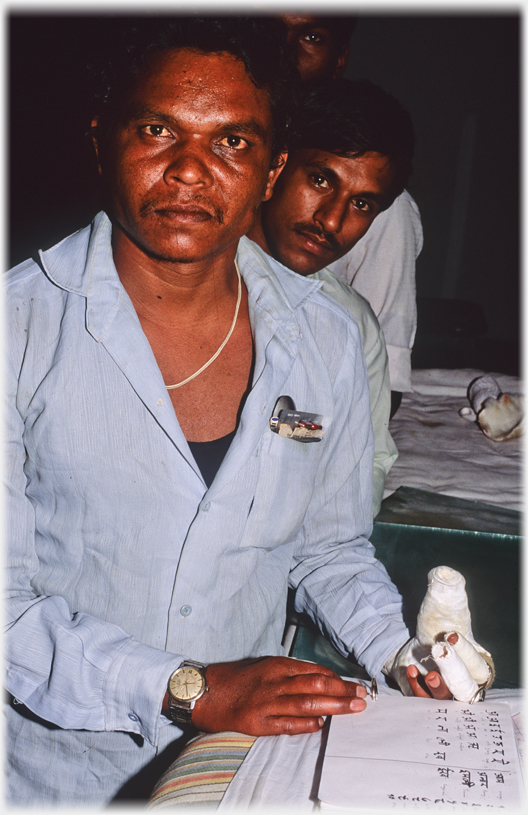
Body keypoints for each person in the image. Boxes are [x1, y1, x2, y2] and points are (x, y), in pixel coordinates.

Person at [5, 16, 452, 808]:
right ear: (102, 140)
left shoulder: (325, 335)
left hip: (241, 771)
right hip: (57, 776)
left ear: (272, 166)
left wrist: (402, 649)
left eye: (231, 143)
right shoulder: (20, 328)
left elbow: (328, 550)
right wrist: (190, 686)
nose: (189, 171)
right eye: (157, 130)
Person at [248, 77, 412, 515]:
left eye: (362, 205)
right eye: (321, 180)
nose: (333, 220)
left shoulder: (351, 325)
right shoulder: (190, 277)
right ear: (275, 165)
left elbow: (366, 463)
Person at [278, 13, 423, 412]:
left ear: (339, 58)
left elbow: (379, 390)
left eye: (310, 36)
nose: (284, 52)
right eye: (320, 181)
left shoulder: (386, 216)